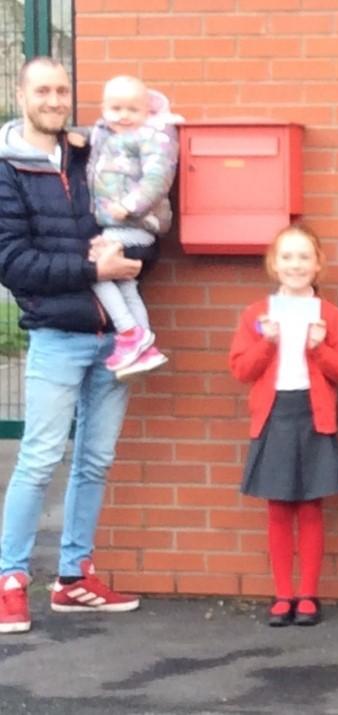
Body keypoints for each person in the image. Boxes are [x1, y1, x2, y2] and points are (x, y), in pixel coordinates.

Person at [0, 57, 149, 635]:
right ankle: (11, 582)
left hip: (115, 338)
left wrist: (133, 257)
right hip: (57, 336)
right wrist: (95, 270)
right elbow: (12, 262)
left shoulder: (93, 153)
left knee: (94, 460)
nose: (54, 99)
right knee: (38, 459)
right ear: (21, 95)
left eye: (62, 90)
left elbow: (139, 222)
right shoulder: (8, 169)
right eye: (43, 89)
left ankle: (73, 578)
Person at [229, 225, 338, 627]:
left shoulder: (329, 316)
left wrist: (319, 349)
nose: (295, 265)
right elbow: (241, 369)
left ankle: (308, 596)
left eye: (304, 257)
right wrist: (266, 341)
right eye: (287, 257)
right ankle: (283, 594)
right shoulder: (257, 315)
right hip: (275, 415)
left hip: (313, 413)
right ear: (273, 263)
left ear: (318, 264)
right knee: (279, 507)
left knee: (311, 505)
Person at [87, 75, 178, 378]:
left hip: (134, 223)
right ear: (103, 109)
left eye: (132, 109)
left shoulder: (152, 138)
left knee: (96, 270)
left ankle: (129, 334)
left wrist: (128, 206)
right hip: (115, 223)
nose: (123, 116)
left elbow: (158, 178)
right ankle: (144, 346)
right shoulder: (105, 136)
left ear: (147, 111)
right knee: (125, 284)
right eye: (115, 108)